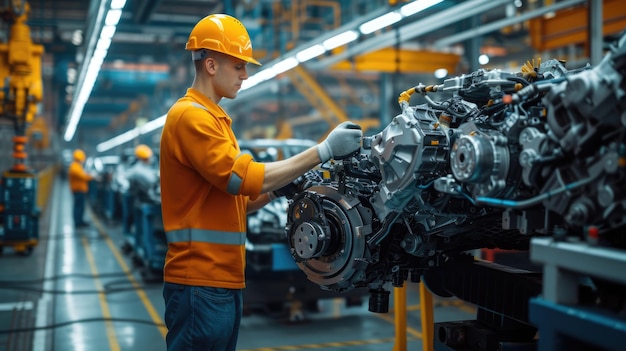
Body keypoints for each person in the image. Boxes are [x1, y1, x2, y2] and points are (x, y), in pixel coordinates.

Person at [159, 13, 363, 351]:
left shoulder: (216, 120)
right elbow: (243, 178)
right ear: (211, 65)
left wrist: (275, 190)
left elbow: (235, 201)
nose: (245, 74)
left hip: (220, 280)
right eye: (238, 65)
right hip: (199, 281)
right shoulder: (192, 117)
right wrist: (323, 150)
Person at [67, 148, 94, 228]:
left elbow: (83, 174)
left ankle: (80, 221)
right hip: (78, 190)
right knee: (78, 207)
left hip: (80, 190)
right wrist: (92, 176)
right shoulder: (74, 167)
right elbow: (83, 176)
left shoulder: (77, 166)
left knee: (81, 207)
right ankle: (77, 222)